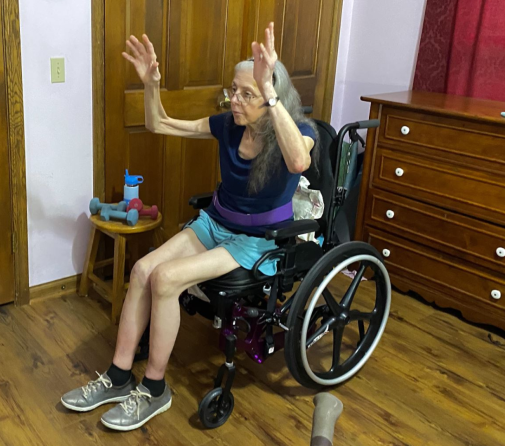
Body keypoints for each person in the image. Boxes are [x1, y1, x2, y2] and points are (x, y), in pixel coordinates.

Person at [60, 22, 318, 431]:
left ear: (270, 97)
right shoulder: (228, 127)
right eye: (234, 90)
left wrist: (269, 93)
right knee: (142, 270)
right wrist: (150, 86)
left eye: (246, 94)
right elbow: (159, 124)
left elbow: (299, 163)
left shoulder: (298, 132)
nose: (235, 100)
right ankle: (118, 375)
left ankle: (155, 388)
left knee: (165, 279)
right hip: (215, 224)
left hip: (256, 242)